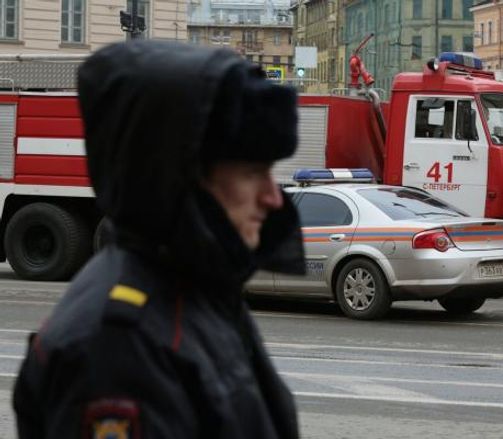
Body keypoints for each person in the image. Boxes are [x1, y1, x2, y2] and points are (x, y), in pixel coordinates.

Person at [13, 41, 305, 438]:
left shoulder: (193, 291)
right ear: (180, 179)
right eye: (252, 173)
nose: (273, 197)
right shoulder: (120, 347)